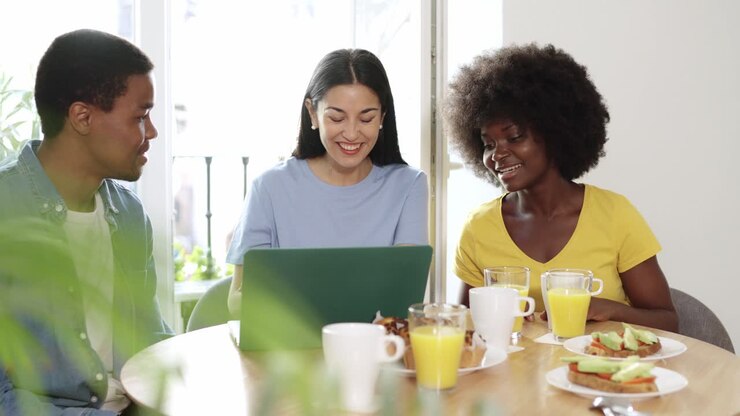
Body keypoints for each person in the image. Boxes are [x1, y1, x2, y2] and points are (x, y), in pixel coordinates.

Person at [444, 43, 677, 331]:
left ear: (554, 132)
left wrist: (609, 309)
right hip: (514, 375)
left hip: (601, 372)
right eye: (488, 144)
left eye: (514, 137)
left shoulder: (615, 214)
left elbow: (667, 321)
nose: (497, 154)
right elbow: (465, 328)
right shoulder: (479, 227)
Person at [0, 29, 172, 415]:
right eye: (141, 116)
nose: (153, 132)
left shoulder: (128, 215)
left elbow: (148, 338)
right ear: (82, 117)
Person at [226, 49, 429, 317]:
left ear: (382, 117)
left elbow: (402, 300)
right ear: (312, 112)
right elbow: (239, 301)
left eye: (366, 118)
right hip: (291, 355)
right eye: (336, 117)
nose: (352, 133)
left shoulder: (409, 185)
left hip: (374, 353)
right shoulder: (269, 188)